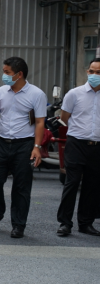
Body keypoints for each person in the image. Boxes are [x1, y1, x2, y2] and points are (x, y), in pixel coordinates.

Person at [0, 57, 46, 238]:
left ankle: (18, 224)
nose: (4, 76)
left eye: (7, 72)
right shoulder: (2, 91)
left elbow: (40, 122)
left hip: (24, 144)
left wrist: (36, 147)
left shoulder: (36, 94)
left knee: (21, 186)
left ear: (19, 74)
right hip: (2, 142)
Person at [56, 58, 100, 237]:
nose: (94, 75)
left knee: (92, 185)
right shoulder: (74, 94)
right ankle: (65, 223)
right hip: (76, 143)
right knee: (72, 183)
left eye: (98, 72)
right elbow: (64, 119)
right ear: (87, 72)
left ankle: (86, 223)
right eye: (91, 71)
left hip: (97, 146)